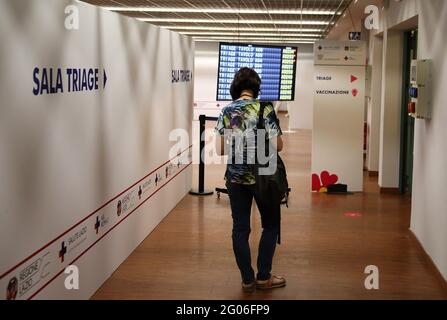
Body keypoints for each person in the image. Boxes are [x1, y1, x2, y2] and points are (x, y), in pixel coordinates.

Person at [215, 67, 286, 292]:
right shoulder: (265, 108)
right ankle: (264, 277)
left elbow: (220, 149)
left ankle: (247, 279)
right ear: (256, 87)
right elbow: (279, 145)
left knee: (240, 230)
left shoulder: (228, 111)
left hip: (236, 179)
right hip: (264, 177)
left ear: (235, 87)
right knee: (271, 226)